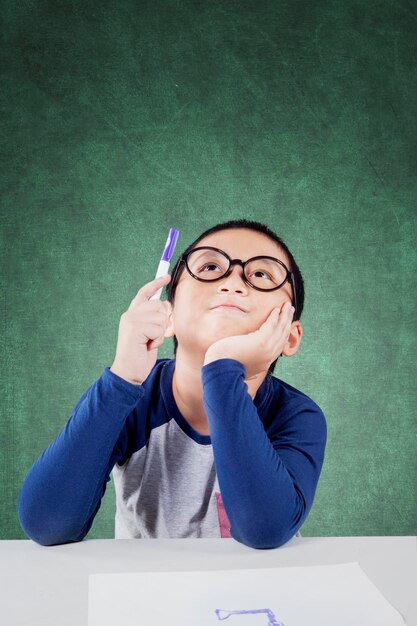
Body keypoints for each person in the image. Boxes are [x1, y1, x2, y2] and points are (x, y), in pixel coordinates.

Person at [18, 218, 327, 549]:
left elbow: (264, 529)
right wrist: (122, 377)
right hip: (148, 595)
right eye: (210, 267)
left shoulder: (298, 416)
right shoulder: (129, 396)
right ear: (168, 316)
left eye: (262, 275)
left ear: (290, 338)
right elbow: (47, 524)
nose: (234, 283)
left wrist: (223, 368)